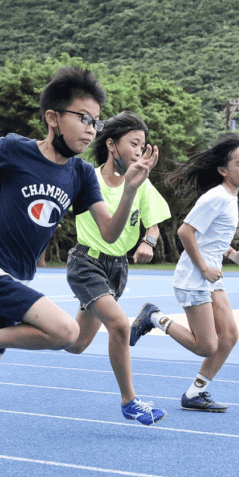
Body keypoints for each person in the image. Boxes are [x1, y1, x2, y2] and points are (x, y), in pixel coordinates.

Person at [0, 66, 157, 475]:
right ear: (54, 117)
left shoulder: (81, 174)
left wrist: (130, 190)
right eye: (83, 118)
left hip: (16, 281)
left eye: (97, 121)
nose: (91, 130)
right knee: (66, 332)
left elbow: (109, 231)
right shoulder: (16, 148)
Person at [128, 132, 239, 413]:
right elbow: (186, 232)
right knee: (206, 346)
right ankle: (155, 318)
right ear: (224, 170)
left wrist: (232, 254)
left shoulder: (230, 197)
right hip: (194, 278)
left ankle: (196, 393)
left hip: (211, 277)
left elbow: (212, 239)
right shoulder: (217, 197)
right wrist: (205, 268)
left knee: (230, 336)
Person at [63, 111, 170, 425]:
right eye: (134, 143)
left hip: (117, 269)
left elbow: (153, 226)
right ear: (111, 145)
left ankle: (12, 332)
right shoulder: (88, 179)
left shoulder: (141, 182)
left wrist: (148, 241)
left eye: (143, 145)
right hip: (86, 263)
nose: (140, 151)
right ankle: (130, 402)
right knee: (121, 326)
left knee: (76, 342)